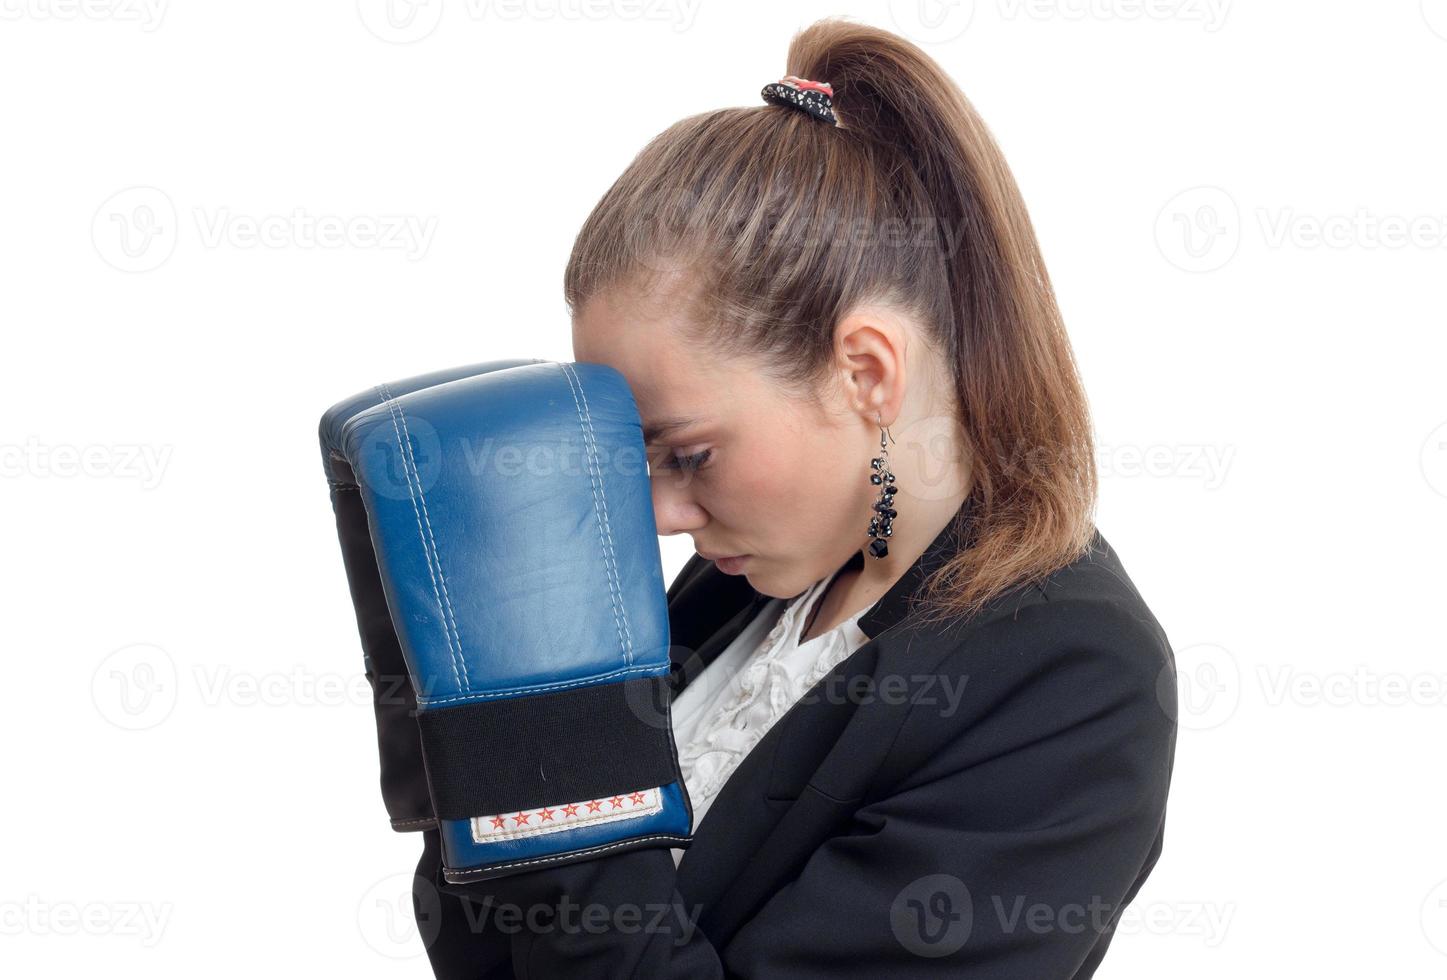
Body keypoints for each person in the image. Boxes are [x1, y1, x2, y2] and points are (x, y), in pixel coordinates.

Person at [412, 17, 1178, 977]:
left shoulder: (1073, 677)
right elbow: (482, 943)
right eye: (629, 456)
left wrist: (559, 758)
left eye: (688, 453)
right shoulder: (755, 577)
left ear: (865, 371)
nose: (656, 514)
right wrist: (466, 715)